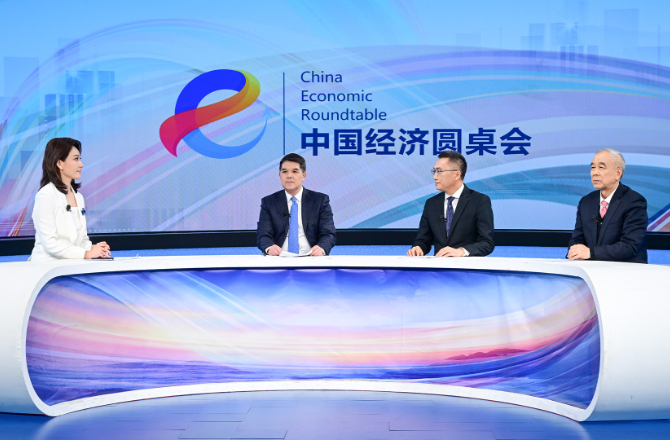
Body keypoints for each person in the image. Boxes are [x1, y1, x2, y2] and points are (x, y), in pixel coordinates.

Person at [30, 138, 111, 261]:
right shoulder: (45, 195)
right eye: (76, 159)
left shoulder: (78, 197)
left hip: (71, 264)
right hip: (47, 265)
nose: (81, 164)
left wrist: (93, 248)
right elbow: (50, 243)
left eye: (80, 159)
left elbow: (81, 240)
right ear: (59, 163)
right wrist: (86, 254)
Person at [407, 151, 494, 257]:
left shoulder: (479, 201)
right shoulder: (431, 203)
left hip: (467, 265)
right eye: (434, 171)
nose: (435, 177)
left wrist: (461, 251)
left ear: (457, 174)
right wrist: (418, 248)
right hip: (439, 265)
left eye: (439, 171)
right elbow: (423, 240)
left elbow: (487, 243)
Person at [567, 149, 647, 263]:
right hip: (592, 270)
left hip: (626, 270)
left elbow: (630, 246)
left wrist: (590, 252)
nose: (595, 173)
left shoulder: (634, 201)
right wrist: (575, 250)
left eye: (601, 167)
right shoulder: (586, 202)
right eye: (593, 167)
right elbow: (577, 238)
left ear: (618, 173)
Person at [257, 153, 336, 256]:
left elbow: (328, 233)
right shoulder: (269, 202)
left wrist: (321, 248)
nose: (289, 176)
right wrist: (269, 247)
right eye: (284, 171)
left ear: (303, 176)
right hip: (279, 258)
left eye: (295, 171)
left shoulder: (320, 200)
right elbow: (263, 234)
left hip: (311, 257)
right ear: (280, 176)